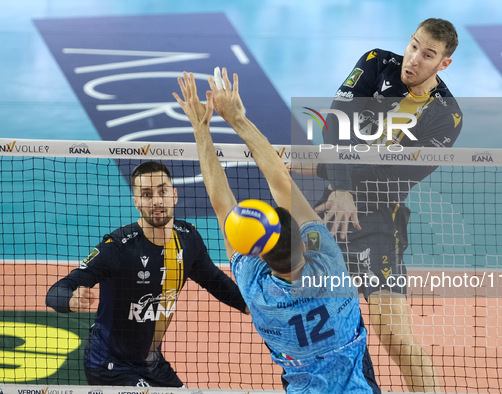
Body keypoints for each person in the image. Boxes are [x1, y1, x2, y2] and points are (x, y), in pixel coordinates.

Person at [173, 68, 380, 393]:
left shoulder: (255, 288)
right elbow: (280, 182)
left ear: (262, 256)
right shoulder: (328, 264)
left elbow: (221, 205)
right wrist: (238, 118)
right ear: (303, 241)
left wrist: (202, 127)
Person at [311, 18, 463, 392]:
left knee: (394, 336)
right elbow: (335, 122)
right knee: (319, 328)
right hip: (332, 204)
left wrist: (327, 168)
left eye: (427, 55)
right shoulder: (376, 62)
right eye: (413, 46)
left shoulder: (447, 116)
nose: (413, 59)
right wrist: (340, 188)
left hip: (380, 216)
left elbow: (398, 176)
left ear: (443, 63)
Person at [46, 161, 248, 387]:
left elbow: (214, 281)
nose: (157, 201)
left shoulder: (188, 239)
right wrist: (70, 299)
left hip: (152, 363)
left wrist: (250, 305)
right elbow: (57, 291)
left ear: (174, 195)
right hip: (110, 366)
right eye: (147, 194)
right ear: (136, 203)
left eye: (162, 191)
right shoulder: (117, 247)